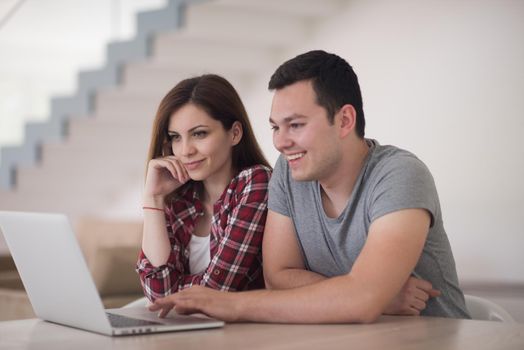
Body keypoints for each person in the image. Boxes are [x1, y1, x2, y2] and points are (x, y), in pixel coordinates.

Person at [149, 51, 471, 322]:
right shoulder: (289, 176)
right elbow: (278, 278)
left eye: (296, 125)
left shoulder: (400, 175)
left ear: (345, 120)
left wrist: (228, 304)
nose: (280, 142)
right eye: (276, 127)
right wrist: (357, 292)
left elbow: (364, 298)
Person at [136, 74, 272, 301]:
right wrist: (154, 199)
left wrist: (173, 287)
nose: (185, 150)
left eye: (199, 134)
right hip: (187, 327)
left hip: (240, 331)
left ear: (235, 133)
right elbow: (156, 293)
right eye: (175, 137)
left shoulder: (255, 182)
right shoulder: (180, 198)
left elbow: (215, 291)